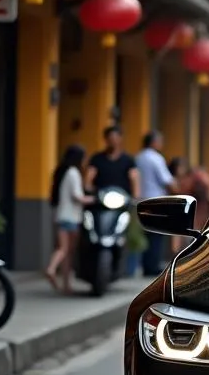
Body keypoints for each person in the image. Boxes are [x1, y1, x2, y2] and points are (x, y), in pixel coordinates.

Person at [45, 144, 92, 293]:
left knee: (63, 250)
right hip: (72, 217)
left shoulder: (62, 172)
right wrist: (93, 199)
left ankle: (66, 285)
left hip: (60, 215)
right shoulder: (74, 173)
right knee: (66, 251)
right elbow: (77, 196)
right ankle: (52, 269)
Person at [136, 131, 176, 275]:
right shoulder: (156, 158)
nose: (161, 144)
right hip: (156, 201)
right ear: (153, 142)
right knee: (156, 234)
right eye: (160, 141)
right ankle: (152, 266)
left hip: (141, 200)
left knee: (146, 234)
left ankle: (146, 265)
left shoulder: (138, 157)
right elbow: (167, 181)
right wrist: (176, 192)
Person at [86, 125, 139, 198]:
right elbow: (89, 178)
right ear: (106, 139)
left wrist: (135, 198)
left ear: (120, 139)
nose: (113, 141)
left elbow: (134, 179)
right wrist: (91, 190)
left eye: (116, 138)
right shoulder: (97, 159)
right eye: (111, 139)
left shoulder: (128, 160)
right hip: (102, 198)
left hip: (123, 198)